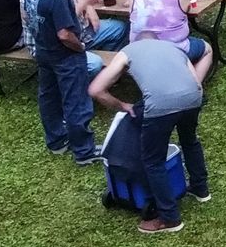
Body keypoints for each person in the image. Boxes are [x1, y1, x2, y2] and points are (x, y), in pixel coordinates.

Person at [88, 32, 210, 234]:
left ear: (137, 41)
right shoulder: (174, 48)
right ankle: (200, 188)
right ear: (157, 40)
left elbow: (95, 89)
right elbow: (196, 82)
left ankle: (169, 218)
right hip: (193, 97)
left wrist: (122, 105)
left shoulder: (128, 51)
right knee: (190, 141)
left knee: (153, 161)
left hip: (160, 105)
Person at [22, 0, 104, 165]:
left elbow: (27, 15)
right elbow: (65, 34)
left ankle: (57, 140)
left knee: (48, 97)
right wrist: (80, 47)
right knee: (76, 102)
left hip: (44, 51)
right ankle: (84, 152)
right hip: (65, 56)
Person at [127, 0, 209, 62]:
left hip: (139, 51)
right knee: (207, 49)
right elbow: (187, 8)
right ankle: (193, 78)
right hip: (175, 50)